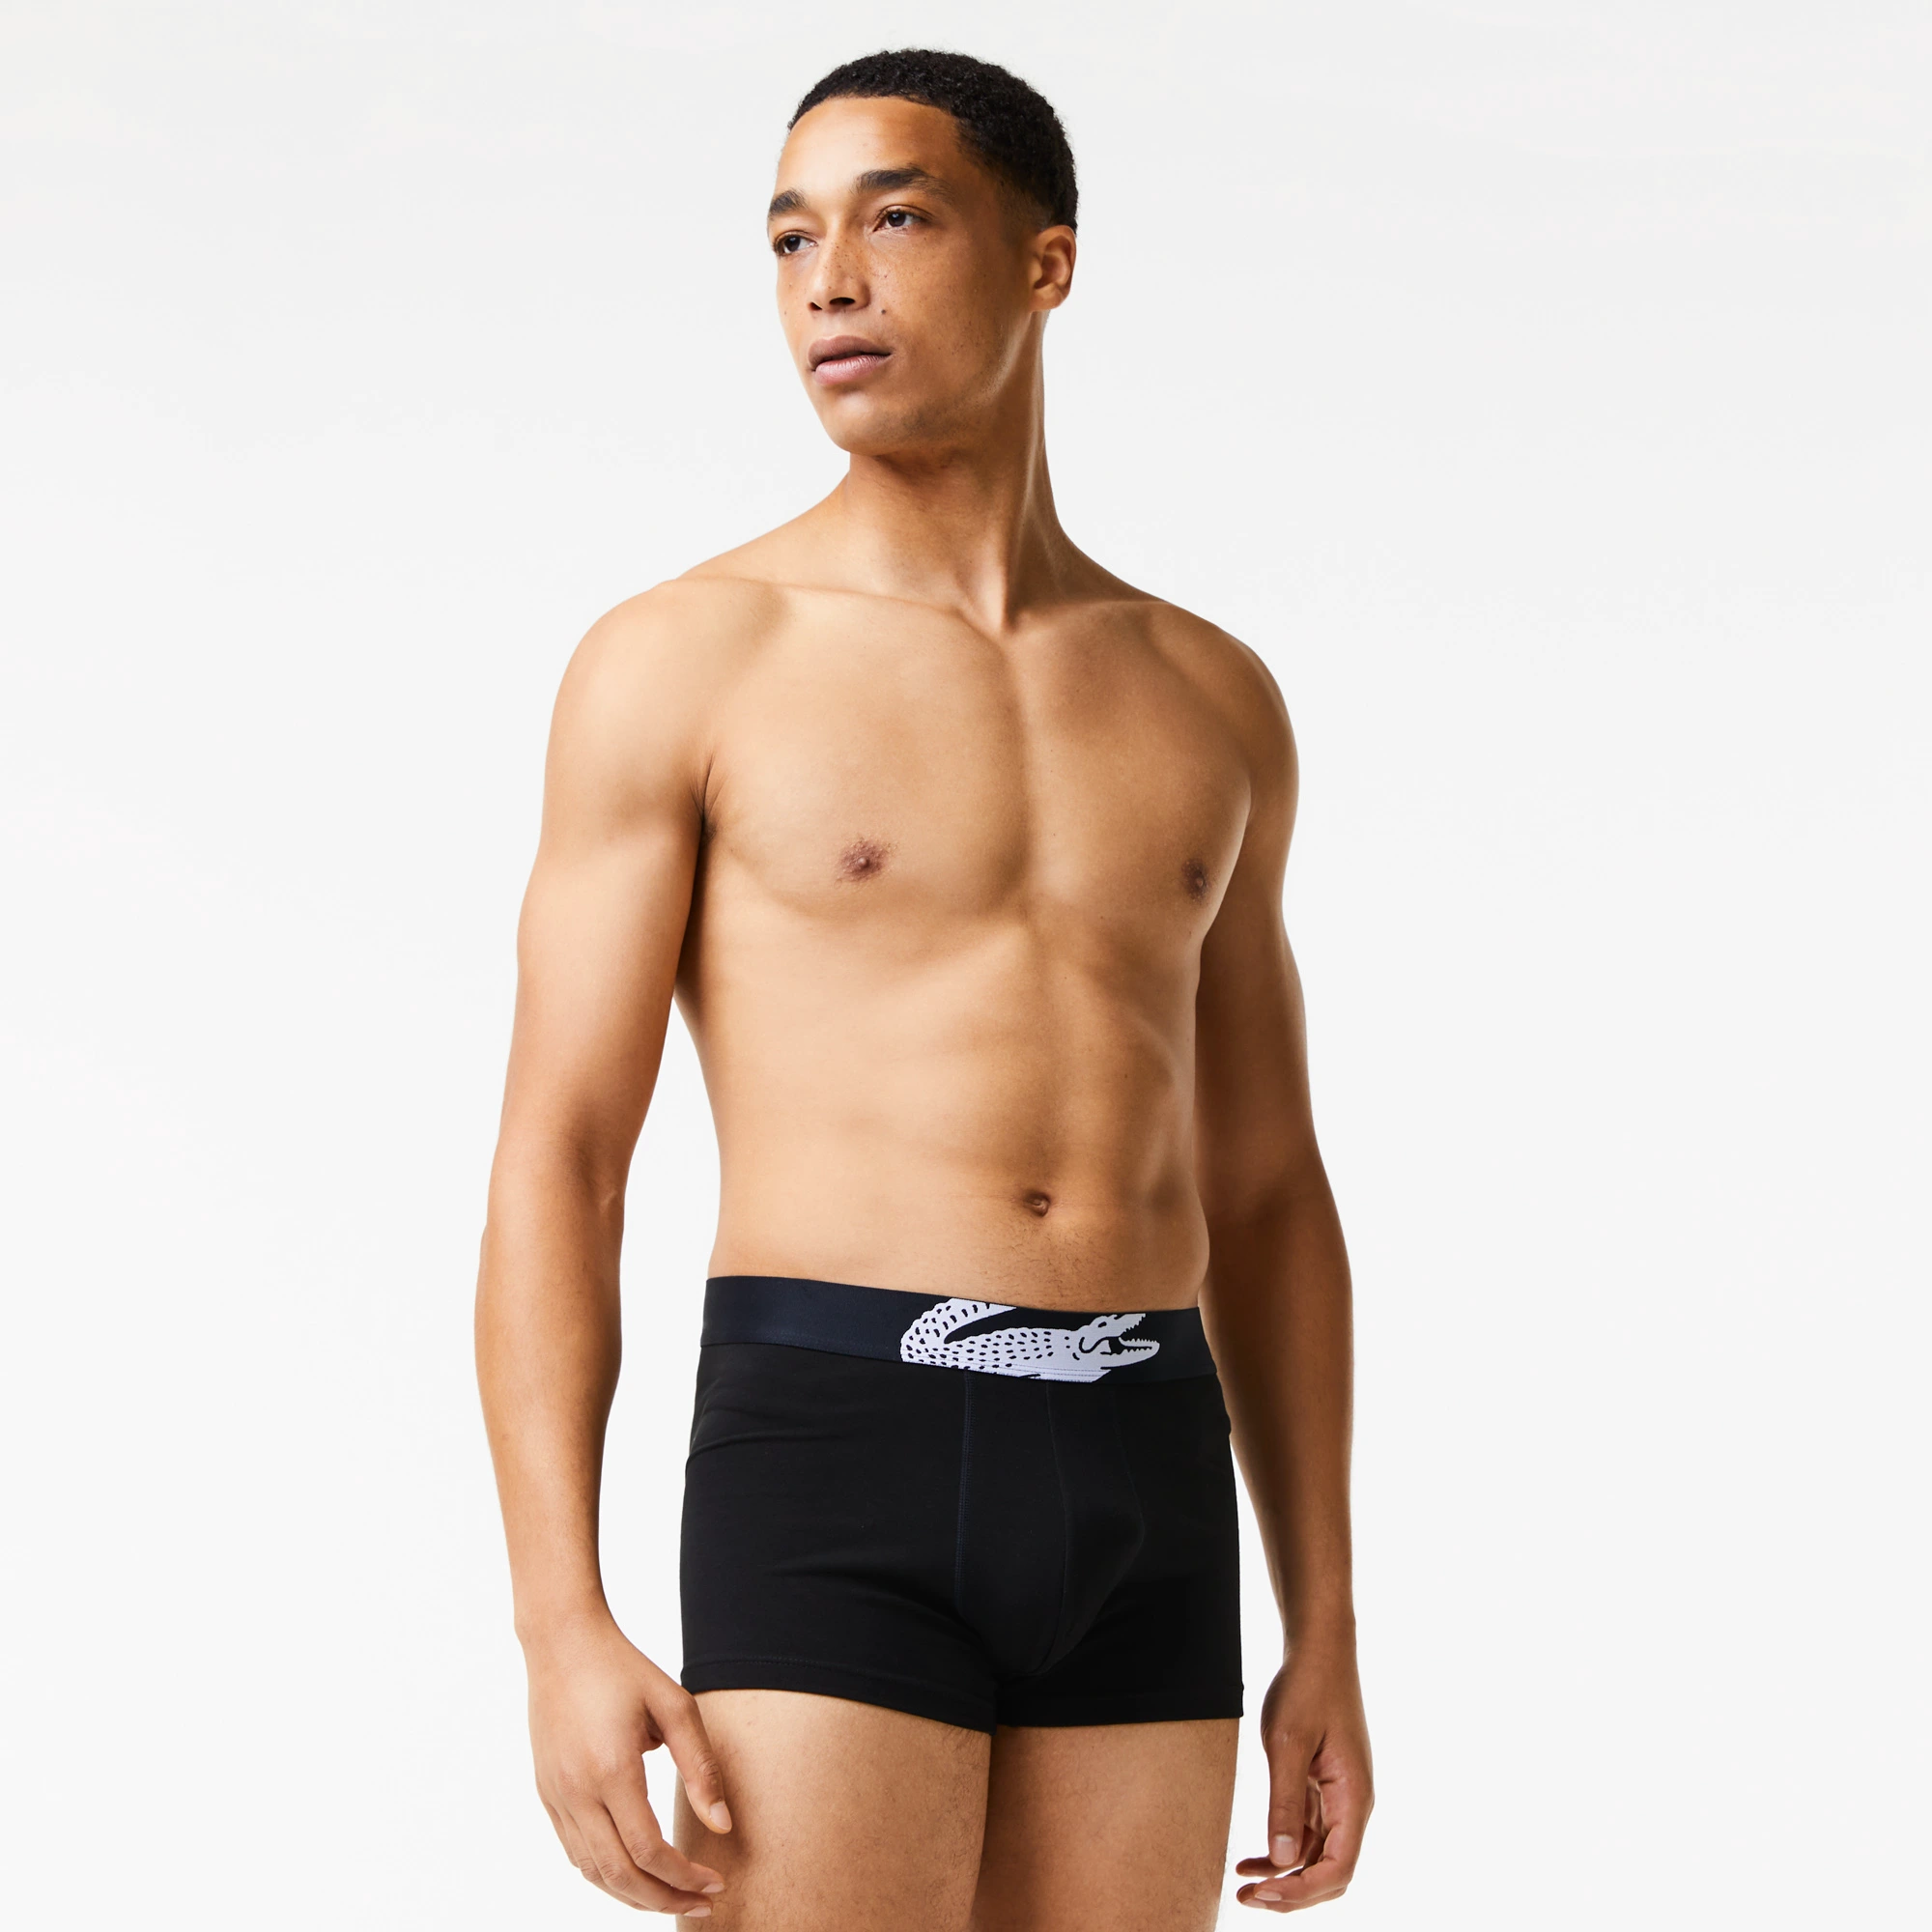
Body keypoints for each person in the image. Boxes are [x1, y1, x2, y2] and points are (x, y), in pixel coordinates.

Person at [475, 47, 1372, 1928]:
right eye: (790, 237)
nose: (830, 282)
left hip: (1147, 1455)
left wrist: (1328, 1622)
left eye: (894, 217)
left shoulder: (1209, 696)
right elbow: (562, 1155)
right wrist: (560, 1619)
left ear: (1046, 261)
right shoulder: (687, 659)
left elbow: (1270, 1185)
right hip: (841, 1446)